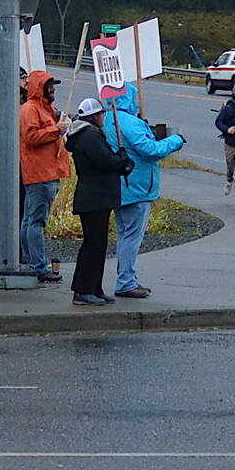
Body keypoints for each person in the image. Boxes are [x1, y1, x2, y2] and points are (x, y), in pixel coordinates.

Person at [108, 87, 185, 300]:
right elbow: (151, 150)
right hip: (137, 186)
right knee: (131, 237)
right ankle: (126, 281)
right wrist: (176, 140)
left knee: (124, 235)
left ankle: (126, 278)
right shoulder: (130, 122)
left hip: (119, 186)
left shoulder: (107, 119)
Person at [64, 97, 131, 306]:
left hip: (96, 196)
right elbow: (105, 162)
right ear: (94, 116)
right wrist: (122, 161)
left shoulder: (87, 134)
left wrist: (119, 160)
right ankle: (83, 290)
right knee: (93, 245)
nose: (103, 117)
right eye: (101, 114)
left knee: (98, 245)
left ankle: (94, 287)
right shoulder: (89, 136)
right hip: (94, 197)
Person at [18, 70, 70, 284]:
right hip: (40, 172)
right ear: (40, 87)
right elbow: (31, 137)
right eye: (49, 85)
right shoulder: (30, 109)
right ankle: (37, 265)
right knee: (35, 221)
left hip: (45, 172)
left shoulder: (44, 108)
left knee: (30, 220)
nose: (53, 88)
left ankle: (29, 260)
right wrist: (56, 130)